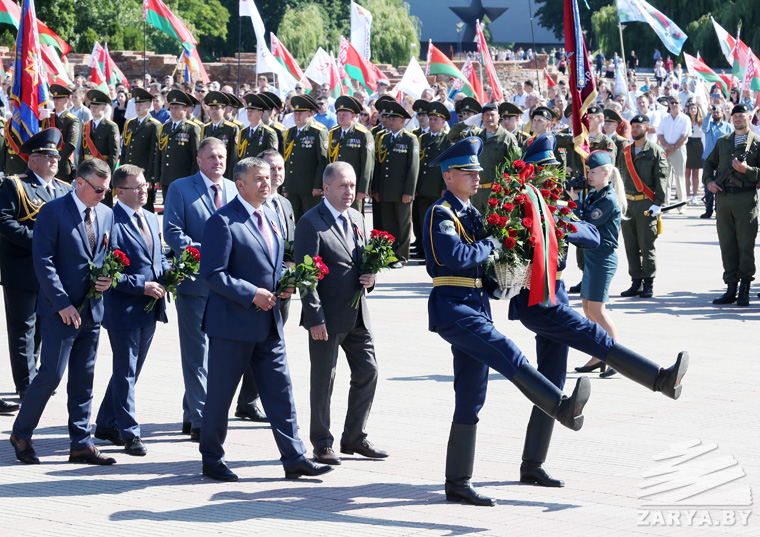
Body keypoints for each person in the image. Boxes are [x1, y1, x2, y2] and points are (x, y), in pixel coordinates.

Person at [507, 139, 689, 487]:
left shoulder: (551, 204)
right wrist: (556, 215)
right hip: (538, 301)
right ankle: (659, 380)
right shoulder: (521, 204)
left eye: (553, 168)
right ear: (531, 171)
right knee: (595, 337)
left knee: (551, 383)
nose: (553, 175)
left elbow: (591, 237)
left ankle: (532, 464)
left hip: (554, 296)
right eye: (546, 169)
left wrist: (564, 217)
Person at [423, 137, 592, 507]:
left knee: (471, 394)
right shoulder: (441, 213)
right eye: (467, 172)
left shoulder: (472, 215)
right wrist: (493, 247)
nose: (476, 177)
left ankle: (458, 482)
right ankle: (560, 406)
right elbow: (454, 256)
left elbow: (486, 264)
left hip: (477, 305)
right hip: (453, 308)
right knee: (507, 350)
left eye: (477, 172)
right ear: (448, 176)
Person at [198, 157, 332, 482]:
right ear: (240, 184)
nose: (266, 183)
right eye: (258, 178)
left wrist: (284, 285)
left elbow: (273, 262)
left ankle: (294, 457)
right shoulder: (222, 221)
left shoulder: (271, 214)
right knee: (220, 396)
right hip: (231, 325)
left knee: (280, 391)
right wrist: (251, 293)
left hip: (268, 323)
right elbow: (212, 274)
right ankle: (212, 459)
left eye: (268, 176)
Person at [10, 158, 117, 465]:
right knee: (51, 375)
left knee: (84, 378)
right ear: (79, 183)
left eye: (105, 190)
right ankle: (21, 433)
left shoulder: (106, 214)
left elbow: (110, 254)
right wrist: (61, 303)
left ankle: (81, 443)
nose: (102, 195)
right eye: (97, 189)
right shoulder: (53, 212)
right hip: (61, 312)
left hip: (92, 311)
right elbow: (43, 261)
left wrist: (110, 278)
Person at [294, 162, 387, 466]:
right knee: (324, 380)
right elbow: (306, 275)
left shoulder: (358, 217)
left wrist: (371, 277)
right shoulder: (311, 222)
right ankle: (322, 442)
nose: (350, 192)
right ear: (327, 188)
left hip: (358, 313)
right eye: (343, 186)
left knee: (368, 371)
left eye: (352, 185)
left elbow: (362, 260)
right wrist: (314, 317)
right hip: (327, 317)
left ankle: (354, 437)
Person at [163, 138, 239, 441]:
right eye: (211, 157)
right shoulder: (181, 188)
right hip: (195, 284)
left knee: (218, 354)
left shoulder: (235, 188)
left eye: (221, 156)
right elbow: (172, 231)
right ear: (198, 160)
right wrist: (204, 252)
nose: (217, 161)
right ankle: (200, 418)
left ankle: (190, 410)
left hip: (228, 286)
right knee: (197, 353)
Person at [94, 165, 169, 456]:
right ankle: (129, 433)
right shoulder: (110, 220)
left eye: (145, 186)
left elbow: (157, 257)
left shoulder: (150, 217)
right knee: (125, 370)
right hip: (123, 307)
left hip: (150, 306)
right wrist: (142, 285)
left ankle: (105, 423)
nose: (143, 191)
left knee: (131, 370)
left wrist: (172, 271)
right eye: (136, 187)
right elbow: (107, 272)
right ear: (120, 192)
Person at [0, 129, 72, 409]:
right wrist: (40, 244)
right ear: (31, 161)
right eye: (45, 156)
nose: (53, 160)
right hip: (23, 269)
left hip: (53, 272)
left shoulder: (65, 190)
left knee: (43, 327)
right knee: (23, 329)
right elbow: (5, 222)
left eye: (55, 155)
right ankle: (25, 384)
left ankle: (38, 378)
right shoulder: (14, 186)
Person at [571, 151, 625, 375]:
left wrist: (575, 202)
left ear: (606, 172)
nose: (589, 175)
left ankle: (615, 358)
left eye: (593, 172)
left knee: (597, 311)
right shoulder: (595, 195)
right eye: (588, 171)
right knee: (587, 309)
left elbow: (584, 223)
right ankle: (597, 355)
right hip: (593, 257)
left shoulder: (608, 199)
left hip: (603, 259)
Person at [703, 103, 760, 307]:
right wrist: (709, 182)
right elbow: (709, 163)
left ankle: (745, 287)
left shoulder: (757, 142)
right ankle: (731, 287)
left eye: (741, 115)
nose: (737, 119)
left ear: (748, 117)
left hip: (746, 198)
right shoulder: (723, 142)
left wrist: (748, 171)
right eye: (734, 115)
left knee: (745, 245)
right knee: (727, 244)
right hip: (724, 199)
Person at [619, 115, 669, 299]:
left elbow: (662, 178)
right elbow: (620, 176)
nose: (635, 129)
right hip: (628, 203)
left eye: (639, 126)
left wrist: (658, 203)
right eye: (633, 126)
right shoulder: (626, 152)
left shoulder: (656, 151)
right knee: (631, 245)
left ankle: (648, 282)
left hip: (646, 203)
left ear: (647, 129)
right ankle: (635, 281)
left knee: (646, 244)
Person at [372, 99, 419, 267]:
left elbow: (413, 168)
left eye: (394, 119)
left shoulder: (410, 139)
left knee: (403, 225)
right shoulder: (382, 138)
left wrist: (409, 191)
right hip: (385, 190)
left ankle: (401, 256)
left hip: (401, 191)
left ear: (402, 121)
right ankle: (389, 254)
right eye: (388, 118)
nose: (390, 122)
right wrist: (376, 189)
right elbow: (378, 165)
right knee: (388, 223)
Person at [449, 103, 519, 213]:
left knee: (492, 227)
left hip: (495, 192)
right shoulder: (476, 135)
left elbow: (515, 166)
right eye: (486, 115)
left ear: (499, 116)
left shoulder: (507, 138)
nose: (489, 118)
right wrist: (468, 122)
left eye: (492, 114)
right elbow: (452, 136)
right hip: (476, 192)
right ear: (481, 117)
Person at [414, 101, 452, 260]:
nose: (432, 122)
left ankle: (435, 252)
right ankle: (424, 250)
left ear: (444, 122)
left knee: (436, 222)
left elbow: (448, 165)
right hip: (422, 187)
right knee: (423, 220)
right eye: (431, 119)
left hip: (438, 188)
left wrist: (445, 186)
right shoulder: (422, 138)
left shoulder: (447, 140)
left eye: (436, 119)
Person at [283, 95, 328, 222]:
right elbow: (287, 160)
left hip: (310, 188)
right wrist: (286, 184)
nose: (297, 116)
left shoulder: (318, 132)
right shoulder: (290, 132)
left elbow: (323, 160)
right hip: (293, 186)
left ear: (310, 114)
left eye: (301, 113)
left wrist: (318, 186)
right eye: (295, 113)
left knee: (311, 222)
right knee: (292, 221)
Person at [326, 96, 374, 213]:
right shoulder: (334, 132)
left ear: (354, 116)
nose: (341, 117)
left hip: (353, 186)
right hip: (336, 185)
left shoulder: (363, 134)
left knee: (354, 217)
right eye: (339, 114)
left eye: (345, 114)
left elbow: (367, 164)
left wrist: (363, 189)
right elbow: (329, 159)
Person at [120, 88, 161, 212]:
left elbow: (154, 154)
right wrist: (122, 170)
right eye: (136, 104)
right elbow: (126, 149)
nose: (137, 107)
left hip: (143, 174)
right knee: (128, 205)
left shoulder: (154, 125)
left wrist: (150, 178)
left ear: (149, 105)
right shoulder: (131, 124)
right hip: (129, 172)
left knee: (145, 207)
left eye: (141, 104)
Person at [154, 90, 201, 202]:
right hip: (166, 177)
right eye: (171, 108)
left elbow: (196, 157)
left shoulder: (192, 128)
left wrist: (194, 179)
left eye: (176, 108)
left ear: (185, 110)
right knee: (168, 209)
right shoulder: (165, 127)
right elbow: (160, 154)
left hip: (183, 178)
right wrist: (158, 177)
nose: (173, 111)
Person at [81, 90, 119, 207]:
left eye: (97, 106)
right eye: (92, 106)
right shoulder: (86, 126)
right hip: (88, 169)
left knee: (103, 204)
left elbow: (114, 154)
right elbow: (82, 151)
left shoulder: (110, 126)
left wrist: (108, 174)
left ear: (104, 107)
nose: (93, 109)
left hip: (102, 169)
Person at [657, 97, 690, 212]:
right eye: (672, 103)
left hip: (679, 149)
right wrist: (667, 146)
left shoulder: (685, 118)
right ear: (669, 105)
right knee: (665, 177)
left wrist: (673, 148)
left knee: (679, 177)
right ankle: (665, 204)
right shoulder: (665, 118)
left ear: (680, 104)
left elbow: (684, 135)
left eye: (676, 102)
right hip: (664, 148)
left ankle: (682, 205)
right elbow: (659, 134)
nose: (674, 104)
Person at [700, 104, 734, 219]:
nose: (716, 114)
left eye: (717, 112)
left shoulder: (728, 127)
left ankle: (718, 210)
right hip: (709, 159)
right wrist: (709, 113)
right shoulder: (709, 125)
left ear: (722, 113)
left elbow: (731, 141)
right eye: (714, 112)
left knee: (721, 184)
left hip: (723, 159)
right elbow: (704, 128)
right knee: (708, 185)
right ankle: (708, 210)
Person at [41, 84, 80, 183]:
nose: (55, 102)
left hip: (62, 165)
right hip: (47, 162)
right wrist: (41, 119)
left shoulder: (72, 120)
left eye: (58, 99)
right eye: (54, 99)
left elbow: (71, 144)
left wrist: (57, 161)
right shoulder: (49, 118)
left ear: (66, 100)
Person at [201, 91, 239, 179]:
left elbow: (233, 156)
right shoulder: (205, 128)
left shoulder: (231, 128)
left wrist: (231, 177)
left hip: (224, 173)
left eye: (217, 108)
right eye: (212, 108)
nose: (214, 111)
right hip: (208, 173)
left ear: (224, 109)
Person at [237, 93, 278, 161]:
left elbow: (271, 158)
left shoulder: (268, 133)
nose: (249, 114)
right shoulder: (243, 132)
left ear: (260, 113)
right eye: (248, 111)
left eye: (252, 111)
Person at [685, 100, 706, 205]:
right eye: (691, 108)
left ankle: (694, 196)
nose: (693, 110)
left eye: (694, 108)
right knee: (687, 172)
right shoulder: (686, 120)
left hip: (697, 145)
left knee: (696, 172)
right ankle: (687, 195)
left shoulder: (700, 121)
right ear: (688, 110)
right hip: (688, 144)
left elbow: (707, 118)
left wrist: (701, 106)